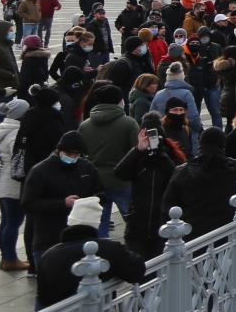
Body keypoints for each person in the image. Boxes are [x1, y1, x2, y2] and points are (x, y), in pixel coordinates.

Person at [34, 206, 147, 311]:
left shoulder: (50, 255)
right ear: (96, 224)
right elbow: (136, 271)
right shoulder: (108, 248)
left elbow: (44, 299)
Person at [20, 130, 103, 259]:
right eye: (69, 154)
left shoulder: (86, 167)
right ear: (60, 151)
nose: (73, 158)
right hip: (49, 239)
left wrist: (91, 201)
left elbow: (101, 192)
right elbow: (28, 204)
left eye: (76, 155)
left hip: (81, 237)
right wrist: (63, 203)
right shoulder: (41, 171)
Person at [113, 115, 186, 259]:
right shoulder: (138, 158)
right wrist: (138, 150)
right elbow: (120, 173)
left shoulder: (171, 154)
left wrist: (162, 155)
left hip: (163, 225)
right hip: (138, 227)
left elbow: (177, 179)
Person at [77, 84, 138, 240]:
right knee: (134, 222)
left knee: (100, 224)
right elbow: (138, 150)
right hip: (122, 180)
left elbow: (81, 153)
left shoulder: (85, 125)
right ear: (119, 100)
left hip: (96, 180)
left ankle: (101, 255)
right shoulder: (128, 123)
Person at [0, 98, 29, 270]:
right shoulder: (16, 132)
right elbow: (19, 157)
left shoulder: (2, 128)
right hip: (12, 184)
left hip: (1, 182)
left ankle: (6, 258)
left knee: (6, 221)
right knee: (13, 222)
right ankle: (10, 259)